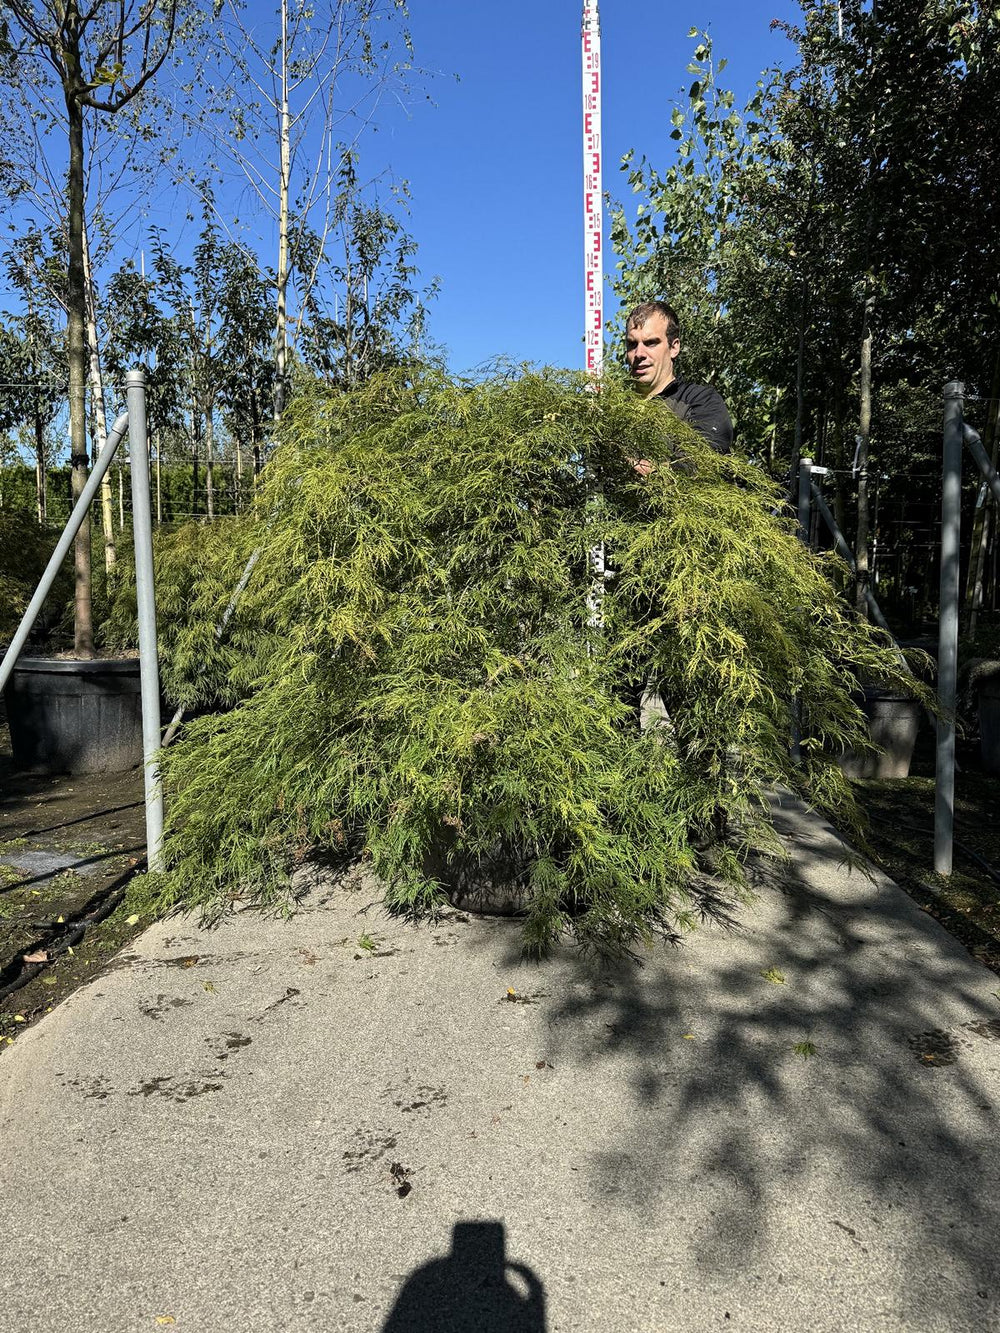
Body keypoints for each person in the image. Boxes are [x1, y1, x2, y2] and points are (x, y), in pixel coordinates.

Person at [624, 300, 733, 463]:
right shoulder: (616, 407)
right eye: (632, 344)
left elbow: (699, 464)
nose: (639, 353)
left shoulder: (701, 401)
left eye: (650, 343)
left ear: (674, 348)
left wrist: (654, 473)